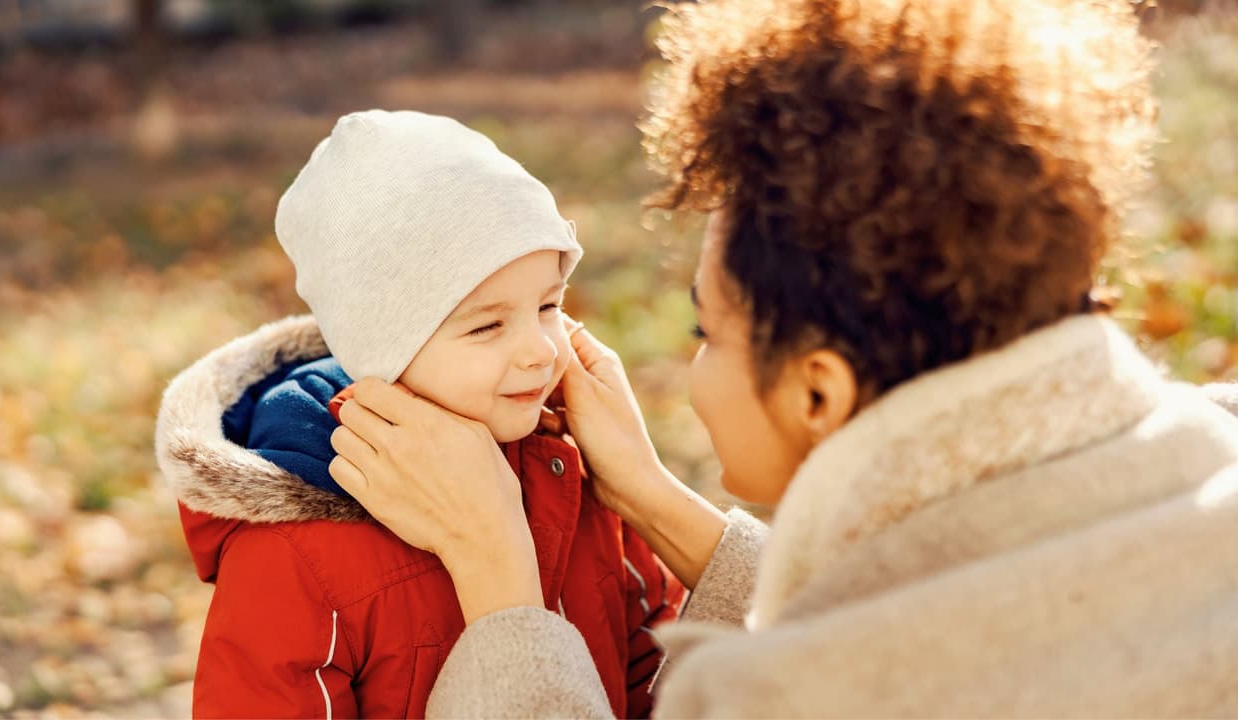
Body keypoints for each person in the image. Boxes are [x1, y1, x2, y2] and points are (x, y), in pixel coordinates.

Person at [327, 0, 1238, 716]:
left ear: (818, 391)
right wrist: (653, 499)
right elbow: (920, 612)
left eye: (706, 334)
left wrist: (498, 583)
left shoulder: (784, 700)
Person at [154, 110, 684, 719]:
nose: (541, 350)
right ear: (381, 352)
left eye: (548, 305)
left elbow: (660, 672)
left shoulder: (572, 474)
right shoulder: (298, 554)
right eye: (488, 325)